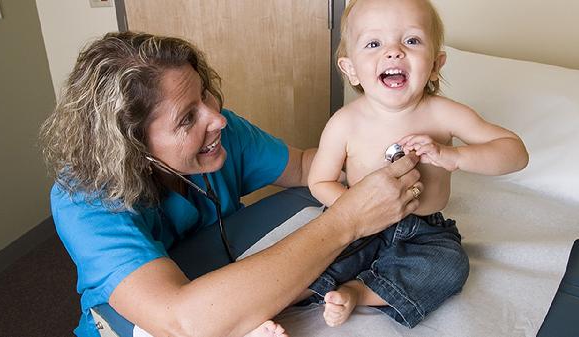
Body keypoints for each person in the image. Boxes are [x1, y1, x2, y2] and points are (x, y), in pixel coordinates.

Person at [39, 31, 424, 337]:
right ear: (132, 146)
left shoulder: (222, 133)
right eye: (187, 118)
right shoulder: (84, 198)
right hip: (137, 318)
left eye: (204, 94)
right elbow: (181, 324)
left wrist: (382, 156)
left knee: (311, 197)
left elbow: (309, 167)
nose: (216, 119)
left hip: (214, 273)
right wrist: (348, 221)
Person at [306, 0, 529, 329]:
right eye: (373, 43)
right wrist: (354, 209)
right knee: (308, 257)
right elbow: (320, 181)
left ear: (436, 64)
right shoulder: (345, 123)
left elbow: (515, 152)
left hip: (422, 230)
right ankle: (271, 307)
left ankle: (359, 292)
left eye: (411, 40)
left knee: (450, 265)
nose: (394, 52)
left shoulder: (444, 114)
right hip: (358, 223)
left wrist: (454, 157)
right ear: (350, 68)